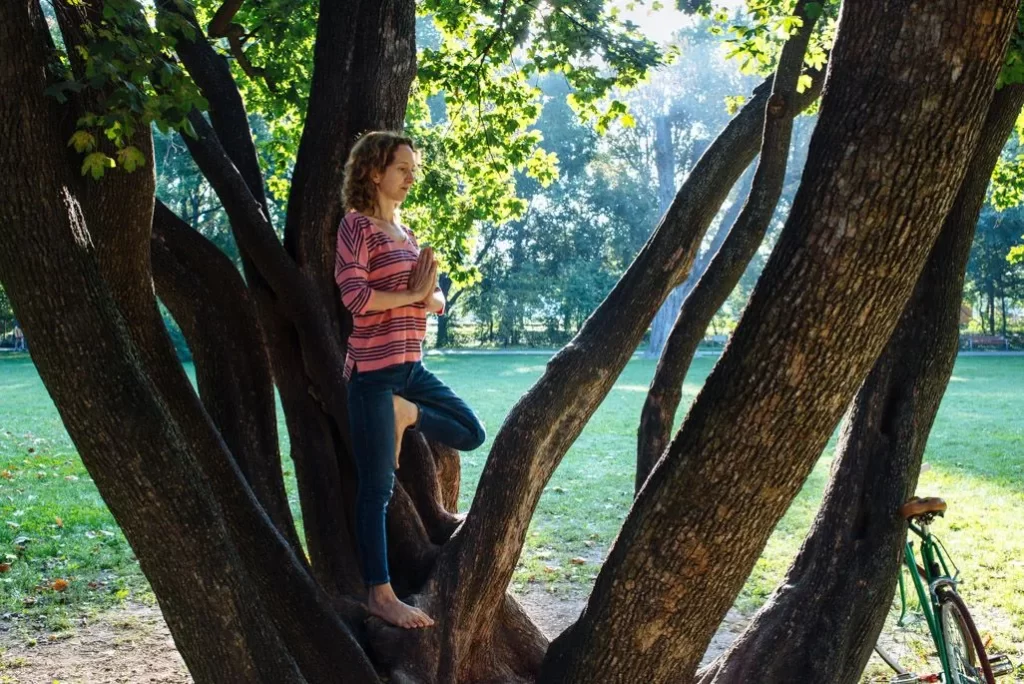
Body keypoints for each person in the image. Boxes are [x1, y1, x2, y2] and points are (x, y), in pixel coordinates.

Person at [335, 131, 486, 630]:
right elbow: (357, 299)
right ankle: (381, 595)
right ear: (374, 172)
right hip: (373, 374)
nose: (410, 177)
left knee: (470, 430)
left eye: (412, 169)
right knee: (377, 489)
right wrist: (414, 293)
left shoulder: (407, 233)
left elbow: (437, 299)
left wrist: (426, 294)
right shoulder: (357, 227)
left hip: (411, 369)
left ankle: (409, 415)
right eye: (402, 168)